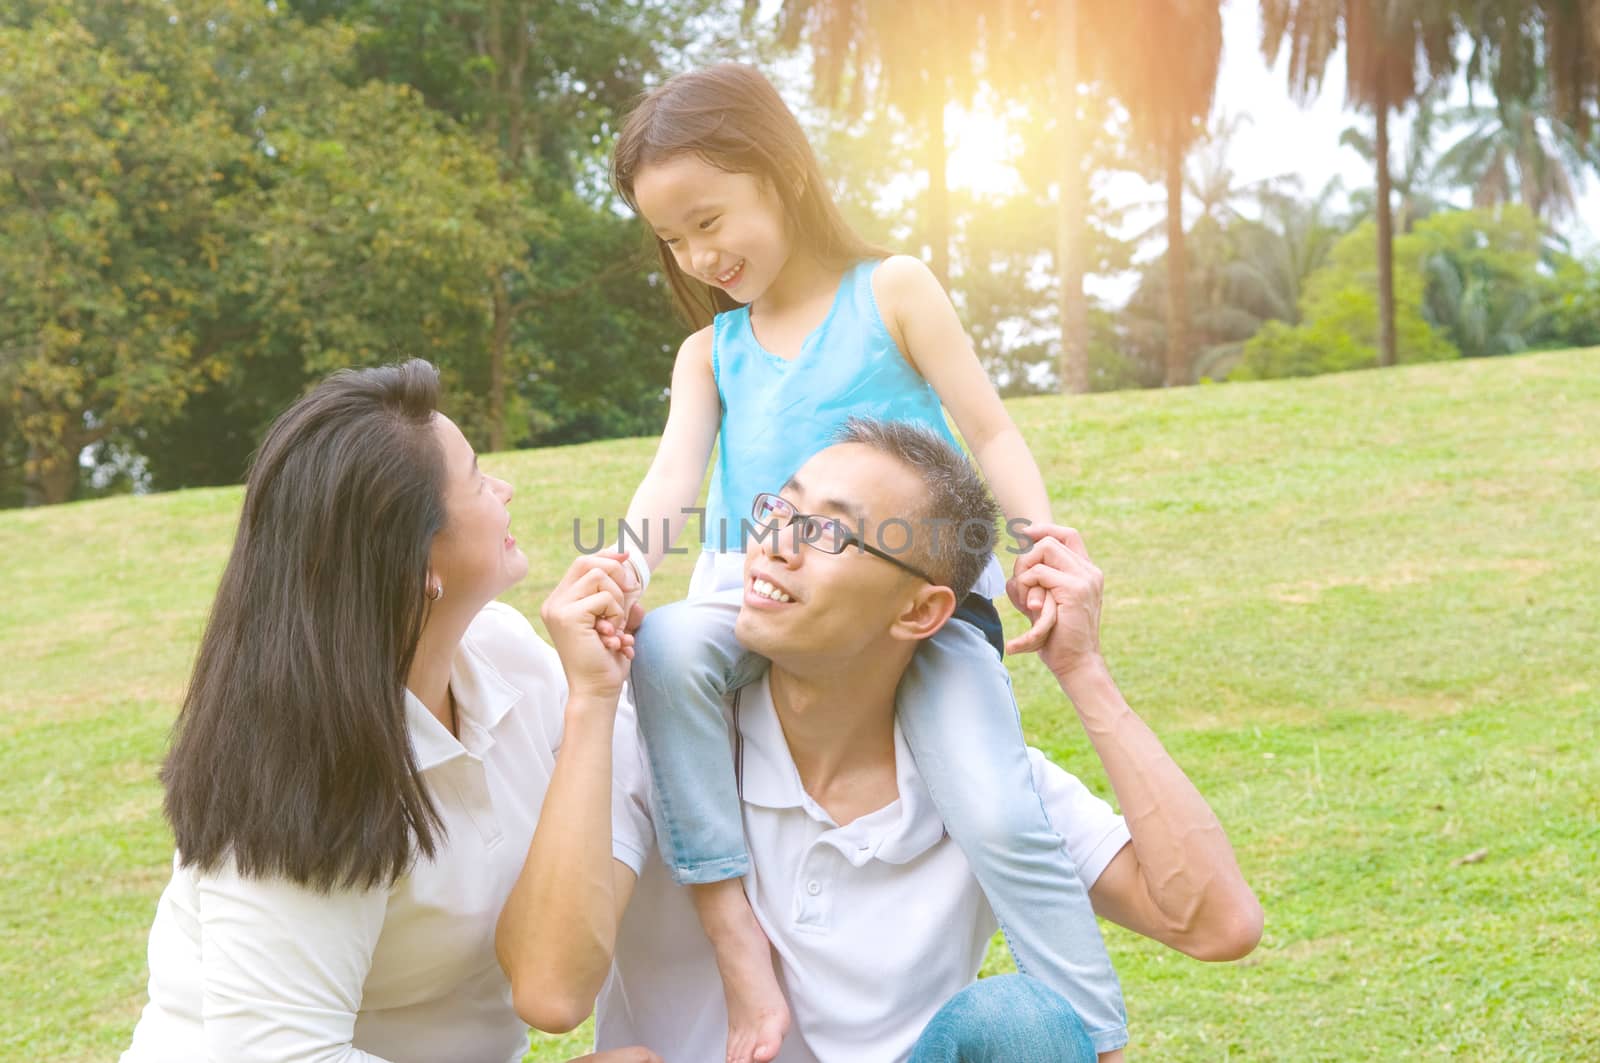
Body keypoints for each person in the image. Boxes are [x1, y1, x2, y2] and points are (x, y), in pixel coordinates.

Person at [606, 62, 1125, 1063]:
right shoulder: (709, 353)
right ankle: (737, 949)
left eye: (711, 220)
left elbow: (990, 430)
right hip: (748, 595)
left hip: (913, 610)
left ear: (782, 175)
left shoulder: (891, 289)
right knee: (666, 644)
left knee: (993, 802)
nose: (700, 254)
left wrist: (1043, 544)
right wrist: (624, 572)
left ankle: (1094, 1039)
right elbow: (670, 480)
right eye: (673, 239)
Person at [496, 420, 1264, 1061]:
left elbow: (1217, 922)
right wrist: (594, 699)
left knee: (1021, 1022)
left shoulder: (983, 781)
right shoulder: (664, 736)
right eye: (779, 510)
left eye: (827, 530)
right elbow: (549, 992)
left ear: (920, 612)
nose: (774, 544)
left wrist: (1086, 674)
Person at [120, 360, 657, 1063]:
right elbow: (283, 1055)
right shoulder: (303, 774)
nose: (506, 490)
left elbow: (557, 972)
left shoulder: (506, 655)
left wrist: (594, 696)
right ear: (416, 564)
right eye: (477, 479)